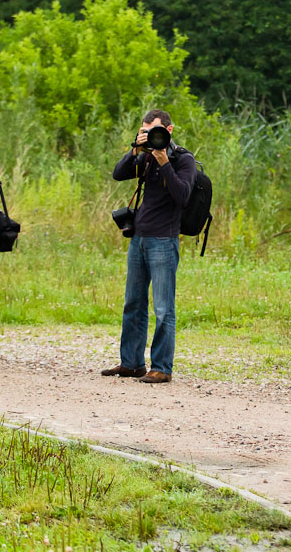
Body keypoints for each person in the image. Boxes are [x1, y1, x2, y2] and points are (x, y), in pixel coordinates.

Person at [102, 109, 197, 383]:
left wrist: (164, 161)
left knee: (164, 307)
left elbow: (183, 196)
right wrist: (135, 149)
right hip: (139, 236)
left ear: (168, 130)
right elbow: (118, 174)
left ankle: (162, 367)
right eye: (145, 131)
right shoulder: (144, 156)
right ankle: (131, 363)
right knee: (133, 302)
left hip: (164, 239)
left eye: (153, 131)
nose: (150, 136)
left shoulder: (183, 159)